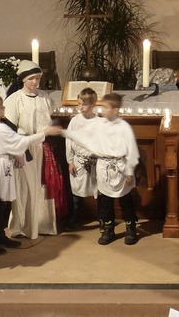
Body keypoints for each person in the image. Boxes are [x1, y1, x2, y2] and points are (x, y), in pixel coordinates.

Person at [0, 95, 61, 254]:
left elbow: (10, 144)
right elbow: (21, 142)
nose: (4, 109)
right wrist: (45, 133)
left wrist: (16, 155)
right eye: (1, 107)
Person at [63, 93, 140, 245]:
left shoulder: (124, 128)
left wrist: (129, 171)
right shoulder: (99, 125)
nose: (102, 110)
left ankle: (131, 228)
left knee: (126, 201)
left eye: (105, 107)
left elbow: (131, 150)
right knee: (105, 201)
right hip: (103, 166)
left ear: (115, 110)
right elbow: (85, 139)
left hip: (120, 167)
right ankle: (108, 229)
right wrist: (65, 132)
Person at [4, 60, 58, 239]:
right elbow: (10, 129)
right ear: (23, 80)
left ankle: (42, 223)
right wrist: (18, 151)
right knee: (24, 188)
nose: (36, 82)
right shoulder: (14, 99)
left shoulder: (45, 98)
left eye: (38, 78)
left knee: (42, 187)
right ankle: (22, 225)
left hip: (43, 148)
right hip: (23, 149)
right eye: (32, 78)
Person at [65, 87, 100, 230]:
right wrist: (70, 161)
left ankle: (103, 219)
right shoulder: (75, 121)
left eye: (84, 105)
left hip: (95, 161)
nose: (80, 107)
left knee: (98, 191)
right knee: (77, 191)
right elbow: (69, 141)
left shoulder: (99, 122)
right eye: (78, 104)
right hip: (78, 161)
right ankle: (76, 217)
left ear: (93, 105)